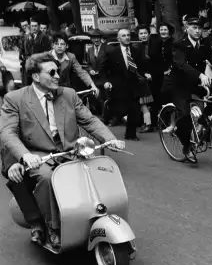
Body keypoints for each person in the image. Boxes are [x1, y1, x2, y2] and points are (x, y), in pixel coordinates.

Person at [0, 53, 124, 247]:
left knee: (98, 171)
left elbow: (89, 120)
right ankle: (52, 227)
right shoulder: (15, 98)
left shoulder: (68, 94)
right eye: (51, 72)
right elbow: (7, 132)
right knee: (48, 178)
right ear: (35, 76)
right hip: (38, 154)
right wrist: (25, 156)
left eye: (58, 71)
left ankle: (95, 215)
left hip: (71, 151)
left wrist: (111, 139)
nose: (58, 75)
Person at [165, 16, 212, 163]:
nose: (198, 31)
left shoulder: (204, 43)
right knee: (185, 116)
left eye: (200, 28)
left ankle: (204, 118)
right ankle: (187, 148)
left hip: (197, 81)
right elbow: (181, 64)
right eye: (194, 28)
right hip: (180, 84)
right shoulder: (179, 44)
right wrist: (200, 75)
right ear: (187, 28)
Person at [99, 29, 146, 140]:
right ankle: (110, 116)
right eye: (124, 36)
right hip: (119, 87)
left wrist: (143, 76)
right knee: (121, 109)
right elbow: (102, 69)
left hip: (133, 86)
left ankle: (131, 134)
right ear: (118, 38)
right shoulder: (112, 53)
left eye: (128, 35)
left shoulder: (136, 51)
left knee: (134, 110)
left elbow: (142, 66)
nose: (127, 37)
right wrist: (106, 81)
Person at [29, 33, 99, 95]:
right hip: (49, 91)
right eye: (56, 44)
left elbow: (81, 72)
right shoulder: (46, 57)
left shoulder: (71, 57)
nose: (59, 46)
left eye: (62, 44)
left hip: (65, 91)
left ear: (67, 46)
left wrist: (92, 85)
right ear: (53, 45)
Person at [148, 22, 174, 129]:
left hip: (169, 74)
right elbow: (152, 54)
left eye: (165, 29)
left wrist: (170, 69)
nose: (163, 32)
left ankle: (169, 122)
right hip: (157, 74)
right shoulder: (156, 41)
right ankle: (156, 122)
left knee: (167, 98)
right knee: (156, 97)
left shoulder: (172, 42)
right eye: (161, 29)